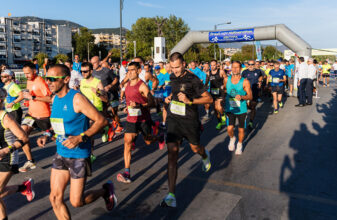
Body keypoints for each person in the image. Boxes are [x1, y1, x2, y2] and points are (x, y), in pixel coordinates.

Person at [37, 64, 116, 219]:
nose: (49, 82)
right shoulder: (55, 99)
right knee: (54, 198)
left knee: (76, 202)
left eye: (53, 79)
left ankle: (105, 191)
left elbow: (101, 121)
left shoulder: (77, 99)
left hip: (78, 155)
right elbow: (60, 124)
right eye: (47, 79)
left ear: (66, 79)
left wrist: (81, 137)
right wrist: (47, 134)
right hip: (61, 153)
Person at [160, 52, 212, 208]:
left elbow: (209, 99)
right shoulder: (172, 77)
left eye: (177, 67)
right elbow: (174, 92)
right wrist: (169, 98)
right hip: (173, 120)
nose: (174, 70)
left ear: (184, 64)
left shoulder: (193, 79)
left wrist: (190, 100)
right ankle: (171, 195)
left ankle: (205, 155)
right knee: (172, 153)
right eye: (172, 67)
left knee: (195, 148)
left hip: (189, 121)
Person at [117, 62, 164, 184]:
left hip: (143, 119)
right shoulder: (127, 84)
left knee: (148, 141)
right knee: (127, 142)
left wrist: (139, 105)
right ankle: (127, 172)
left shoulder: (142, 86)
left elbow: (153, 103)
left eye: (133, 70)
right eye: (128, 70)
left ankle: (159, 137)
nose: (130, 72)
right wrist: (127, 108)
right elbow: (129, 101)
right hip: (131, 119)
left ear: (138, 71)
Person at [0, 88, 35, 220]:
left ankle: (23, 188)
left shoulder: (6, 117)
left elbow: (24, 138)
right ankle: (23, 187)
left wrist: (6, 150)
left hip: (7, 158)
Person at [20, 62, 52, 172]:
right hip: (31, 114)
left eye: (28, 73)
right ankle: (30, 161)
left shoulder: (40, 82)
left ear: (34, 71)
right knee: (22, 134)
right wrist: (28, 101)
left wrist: (33, 97)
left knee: (55, 138)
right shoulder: (29, 81)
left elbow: (50, 99)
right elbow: (31, 97)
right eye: (24, 74)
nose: (26, 76)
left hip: (43, 116)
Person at [224, 61, 252, 155]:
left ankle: (239, 145)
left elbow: (250, 96)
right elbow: (224, 90)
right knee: (229, 128)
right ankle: (232, 138)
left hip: (241, 109)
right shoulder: (226, 79)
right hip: (230, 108)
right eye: (233, 67)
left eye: (237, 67)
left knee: (241, 129)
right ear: (231, 68)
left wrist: (242, 97)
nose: (235, 69)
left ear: (240, 69)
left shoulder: (245, 81)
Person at [91, 56, 123, 135]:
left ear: (99, 62)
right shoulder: (92, 72)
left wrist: (109, 85)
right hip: (102, 96)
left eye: (94, 63)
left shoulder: (107, 71)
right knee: (103, 113)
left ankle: (119, 125)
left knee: (114, 112)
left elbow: (116, 79)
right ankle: (113, 122)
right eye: (92, 63)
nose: (93, 65)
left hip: (112, 95)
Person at [241, 60, 263, 128]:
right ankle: (244, 119)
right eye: (249, 64)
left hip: (255, 91)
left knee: (253, 107)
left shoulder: (258, 71)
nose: (250, 66)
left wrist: (260, 81)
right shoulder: (244, 72)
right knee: (246, 106)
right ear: (247, 64)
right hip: (246, 92)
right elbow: (241, 80)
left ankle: (250, 122)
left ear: (254, 65)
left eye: (252, 64)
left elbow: (261, 76)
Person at [208, 60, 226, 129]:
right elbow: (206, 82)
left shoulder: (221, 71)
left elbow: (226, 79)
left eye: (214, 65)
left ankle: (223, 114)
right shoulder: (209, 73)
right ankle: (219, 122)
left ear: (217, 65)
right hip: (213, 92)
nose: (212, 67)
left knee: (219, 107)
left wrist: (224, 86)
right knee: (215, 109)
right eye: (211, 65)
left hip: (220, 92)